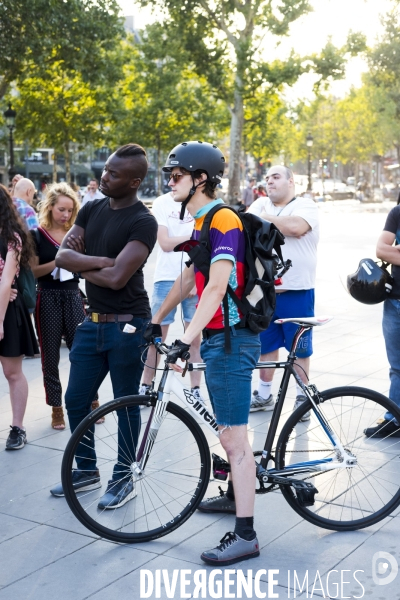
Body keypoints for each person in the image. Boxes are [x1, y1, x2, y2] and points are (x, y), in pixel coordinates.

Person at [148, 141, 261, 566]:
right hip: (217, 339)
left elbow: (216, 286)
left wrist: (184, 337)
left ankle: (246, 535)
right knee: (228, 433)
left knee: (233, 438)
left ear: (200, 178)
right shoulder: (201, 223)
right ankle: (235, 495)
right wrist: (156, 319)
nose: (169, 182)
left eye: (175, 175)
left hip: (232, 339)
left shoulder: (224, 219)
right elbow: (192, 278)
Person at [49, 144, 158, 509]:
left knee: (125, 403)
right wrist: (100, 260)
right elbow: (60, 257)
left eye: (113, 173)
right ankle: (86, 471)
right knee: (76, 399)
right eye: (106, 169)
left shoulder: (143, 221)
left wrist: (84, 262)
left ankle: (124, 476)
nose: (104, 176)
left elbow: (116, 279)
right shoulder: (93, 207)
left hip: (128, 324)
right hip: (91, 321)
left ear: (134, 181)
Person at [247, 165, 319, 415]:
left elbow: (297, 228)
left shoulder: (306, 205)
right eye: (267, 178)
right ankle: (264, 394)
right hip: (264, 292)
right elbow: (247, 225)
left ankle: (302, 398)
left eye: (276, 177)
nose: (270, 182)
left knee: (300, 347)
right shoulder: (258, 204)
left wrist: (265, 219)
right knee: (265, 346)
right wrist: (273, 220)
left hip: (297, 291)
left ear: (291, 181)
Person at [138, 191, 204, 401]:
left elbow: (207, 244)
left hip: (195, 275)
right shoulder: (162, 203)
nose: (174, 181)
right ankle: (146, 385)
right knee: (156, 336)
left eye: (179, 175)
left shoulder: (202, 201)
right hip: (166, 277)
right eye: (173, 176)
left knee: (194, 338)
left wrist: (197, 275)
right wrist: (196, 238)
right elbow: (165, 243)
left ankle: (195, 390)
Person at [31, 182, 86, 430]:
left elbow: (86, 267)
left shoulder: (77, 234)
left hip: (74, 296)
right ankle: (56, 408)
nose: (65, 215)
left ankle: (90, 399)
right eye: (61, 209)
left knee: (82, 354)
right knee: (50, 356)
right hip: (48, 296)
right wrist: (58, 260)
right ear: (50, 207)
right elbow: (32, 271)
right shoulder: (37, 234)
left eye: (70, 210)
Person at [0, 185, 39, 450]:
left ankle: (18, 427)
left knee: (13, 373)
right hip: (5, 303)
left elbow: (6, 284)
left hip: (7, 311)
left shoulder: (12, 238)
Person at [365, 196, 400, 437]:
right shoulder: (397, 213)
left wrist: (394, 252)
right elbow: (381, 249)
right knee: (397, 366)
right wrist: (389, 251)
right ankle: (394, 419)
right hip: (394, 302)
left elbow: (390, 251)